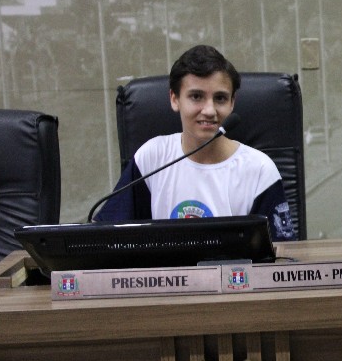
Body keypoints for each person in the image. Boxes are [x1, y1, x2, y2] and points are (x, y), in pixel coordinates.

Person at [94, 44, 296, 242]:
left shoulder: (259, 170)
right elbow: (106, 239)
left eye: (220, 98)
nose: (209, 110)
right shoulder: (152, 158)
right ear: (175, 99)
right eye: (196, 96)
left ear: (232, 103)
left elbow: (282, 258)